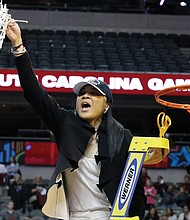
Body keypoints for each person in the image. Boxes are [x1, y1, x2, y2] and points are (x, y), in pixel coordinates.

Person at [6, 18, 146, 220]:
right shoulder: (66, 122)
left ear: (106, 105)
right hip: (72, 216)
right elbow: (33, 92)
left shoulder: (122, 136)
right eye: (82, 94)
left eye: (93, 94)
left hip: (108, 215)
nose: (85, 96)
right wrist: (19, 46)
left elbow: (136, 189)